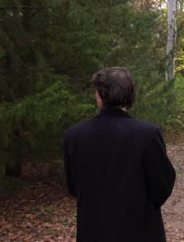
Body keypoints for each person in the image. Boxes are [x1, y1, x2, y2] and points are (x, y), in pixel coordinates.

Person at [63, 67, 176, 242]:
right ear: (130, 95)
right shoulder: (147, 133)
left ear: (100, 95)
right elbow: (162, 186)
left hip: (93, 230)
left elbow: (73, 187)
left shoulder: (74, 135)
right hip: (140, 231)